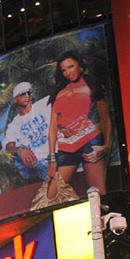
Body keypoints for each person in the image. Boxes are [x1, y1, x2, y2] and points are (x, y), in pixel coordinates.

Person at [44, 50, 111, 199]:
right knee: (50, 196)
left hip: (90, 142)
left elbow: (105, 119)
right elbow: (52, 129)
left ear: (80, 65)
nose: (68, 72)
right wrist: (52, 159)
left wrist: (105, 146)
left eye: (71, 66)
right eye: (64, 70)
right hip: (66, 148)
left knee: (98, 193)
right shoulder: (58, 93)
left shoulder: (93, 87)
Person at [4, 81, 52, 182]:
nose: (27, 96)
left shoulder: (43, 104)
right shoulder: (14, 124)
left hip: (55, 153)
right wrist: (20, 150)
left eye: (29, 93)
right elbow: (9, 147)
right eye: (22, 94)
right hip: (39, 162)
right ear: (15, 100)